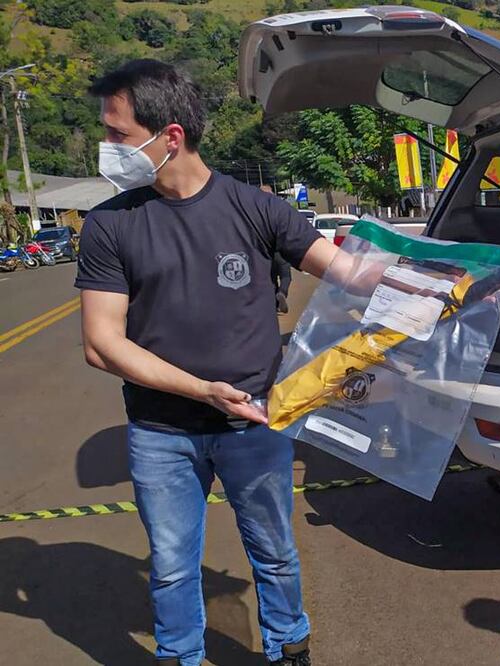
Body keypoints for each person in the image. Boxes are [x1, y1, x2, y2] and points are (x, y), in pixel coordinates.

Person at [76, 59, 338, 666]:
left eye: (116, 134)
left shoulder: (256, 208)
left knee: (274, 552)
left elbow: (350, 273)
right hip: (161, 433)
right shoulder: (110, 224)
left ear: (170, 136)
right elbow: (101, 343)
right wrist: (201, 390)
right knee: (170, 567)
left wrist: (448, 281)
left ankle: (289, 649)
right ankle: (180, 655)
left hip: (255, 423)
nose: (106, 148)